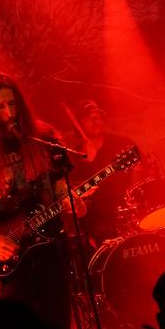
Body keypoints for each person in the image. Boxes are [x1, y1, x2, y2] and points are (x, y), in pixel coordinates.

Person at [0, 74, 86, 329]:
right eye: (0, 106)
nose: (9, 112)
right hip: (11, 257)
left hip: (52, 250)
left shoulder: (44, 137)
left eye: (12, 104)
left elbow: (59, 187)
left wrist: (71, 200)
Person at [65, 99, 136, 245]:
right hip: (97, 223)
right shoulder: (73, 159)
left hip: (129, 212)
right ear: (78, 125)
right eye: (88, 118)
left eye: (97, 116)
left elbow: (146, 169)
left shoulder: (121, 143)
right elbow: (74, 200)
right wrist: (87, 163)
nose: (95, 120)